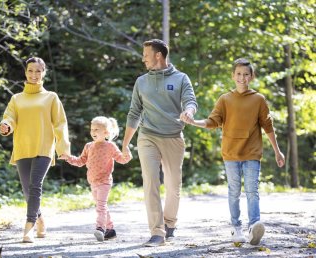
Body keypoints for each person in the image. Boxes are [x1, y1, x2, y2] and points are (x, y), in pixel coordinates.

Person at [183, 58, 285, 245]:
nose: (242, 78)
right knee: (234, 191)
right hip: (230, 153)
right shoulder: (225, 99)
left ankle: (254, 227)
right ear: (233, 76)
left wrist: (278, 151)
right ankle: (236, 227)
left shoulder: (259, 99)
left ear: (252, 77)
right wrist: (193, 122)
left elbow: (268, 127)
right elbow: (212, 121)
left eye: (246, 74)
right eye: (238, 74)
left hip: (252, 153)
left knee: (252, 191)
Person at [122, 39, 198, 247]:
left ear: (158, 55)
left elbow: (190, 101)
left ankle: (170, 222)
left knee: (173, 185)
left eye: (146, 54)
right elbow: (134, 112)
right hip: (147, 136)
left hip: (173, 136)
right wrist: (126, 143)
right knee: (150, 182)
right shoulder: (141, 82)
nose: (143, 58)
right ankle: (157, 231)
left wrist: (188, 112)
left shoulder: (181, 78)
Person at [0, 57, 71, 243]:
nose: (34, 74)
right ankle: (40, 221)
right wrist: (5, 125)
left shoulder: (51, 97)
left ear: (44, 73)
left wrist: (63, 147)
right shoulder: (17, 98)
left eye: (38, 71)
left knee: (35, 186)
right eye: (30, 70)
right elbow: (10, 118)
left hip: (44, 147)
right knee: (27, 191)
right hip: (22, 147)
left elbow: (60, 123)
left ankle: (28, 227)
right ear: (25, 72)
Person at [61, 116, 132, 242]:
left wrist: (127, 154)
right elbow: (81, 161)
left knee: (101, 206)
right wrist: (68, 157)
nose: (93, 132)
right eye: (92, 129)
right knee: (102, 206)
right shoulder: (89, 146)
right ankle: (110, 230)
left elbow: (122, 159)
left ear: (106, 132)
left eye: (97, 129)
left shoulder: (110, 146)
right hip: (93, 182)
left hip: (105, 181)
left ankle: (100, 228)